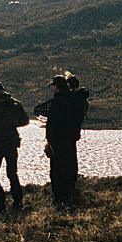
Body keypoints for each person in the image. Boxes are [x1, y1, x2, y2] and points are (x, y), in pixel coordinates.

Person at [0, 80, 29, 213]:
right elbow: (25, 120)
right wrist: (12, 124)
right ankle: (17, 200)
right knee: (12, 172)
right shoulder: (15, 103)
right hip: (12, 142)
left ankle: (0, 202)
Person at [34, 75, 81, 206]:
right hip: (70, 140)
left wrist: (49, 141)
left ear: (57, 86)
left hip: (57, 142)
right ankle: (70, 193)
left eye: (53, 86)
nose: (52, 88)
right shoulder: (74, 100)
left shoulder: (56, 103)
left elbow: (52, 124)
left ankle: (59, 197)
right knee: (70, 166)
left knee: (57, 170)